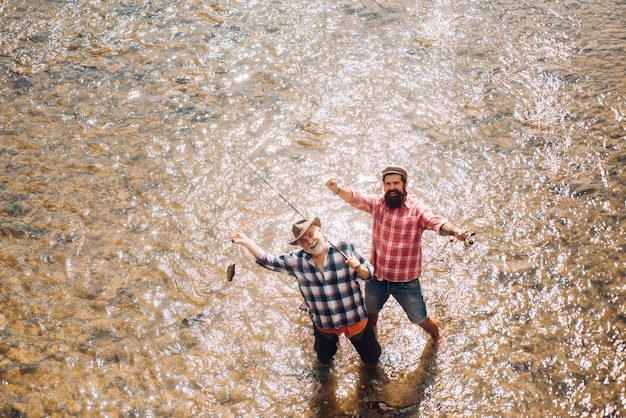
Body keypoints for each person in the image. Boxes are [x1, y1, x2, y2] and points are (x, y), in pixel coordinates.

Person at [325, 166, 471, 350]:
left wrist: (455, 231)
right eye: (388, 184)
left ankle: (438, 337)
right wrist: (336, 189)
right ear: (384, 186)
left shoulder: (417, 210)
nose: (392, 187)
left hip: (406, 282)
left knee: (420, 318)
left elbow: (436, 222)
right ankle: (373, 340)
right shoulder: (377, 204)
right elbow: (355, 198)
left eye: (396, 183)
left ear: (405, 185)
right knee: (370, 314)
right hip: (377, 277)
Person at [230, 217, 381, 367]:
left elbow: (369, 274)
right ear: (300, 245)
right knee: (324, 359)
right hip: (324, 323)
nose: (310, 242)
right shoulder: (296, 260)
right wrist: (246, 242)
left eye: (311, 234)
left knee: (372, 358)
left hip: (355, 319)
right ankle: (324, 377)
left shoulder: (345, 248)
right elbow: (270, 262)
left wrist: (359, 268)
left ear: (320, 230)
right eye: (303, 241)